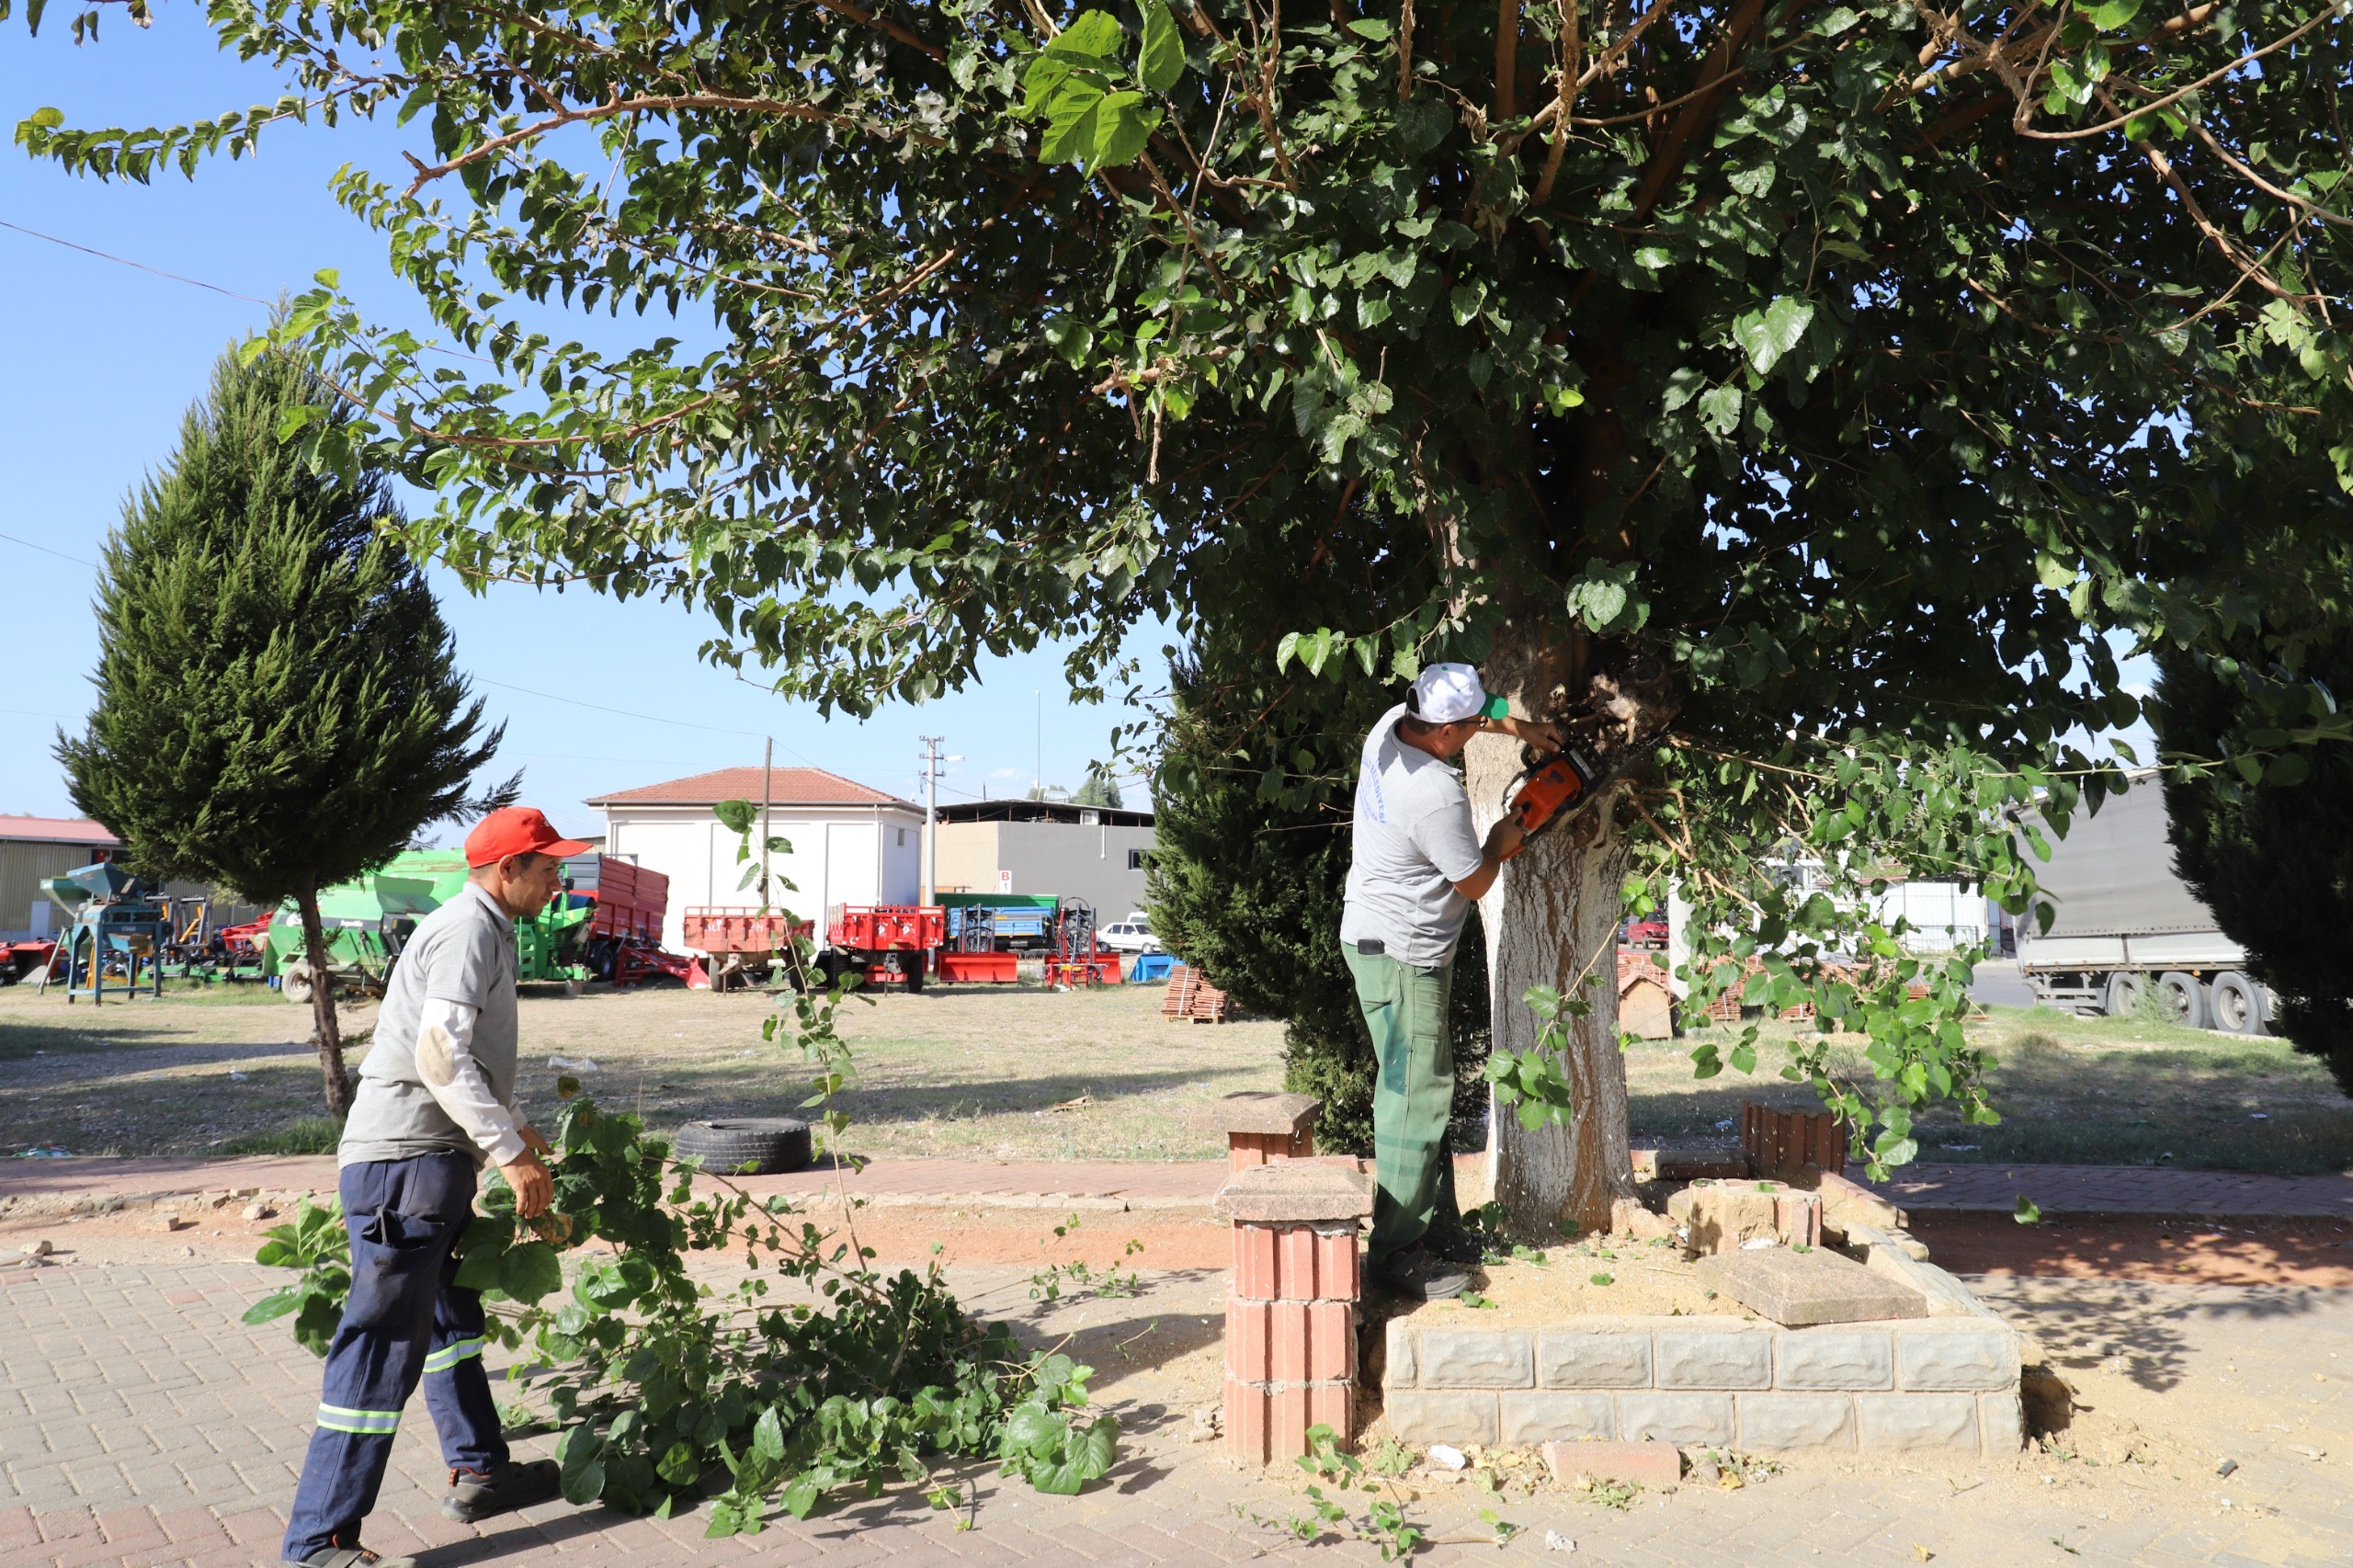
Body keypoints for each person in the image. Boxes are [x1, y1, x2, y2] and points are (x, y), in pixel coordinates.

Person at [280, 807, 591, 1568]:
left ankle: (483, 1470)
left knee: (452, 1319)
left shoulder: (489, 926)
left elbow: (471, 1056)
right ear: (505, 869)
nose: (559, 879)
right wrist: (506, 1151)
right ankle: (317, 1541)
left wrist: (518, 1126)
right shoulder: (467, 928)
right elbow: (440, 1050)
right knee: (381, 1343)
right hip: (405, 1163)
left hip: (430, 1160)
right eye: (547, 866)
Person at [1340, 665, 1561, 1300]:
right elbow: (1476, 883)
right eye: (1470, 728)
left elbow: (1479, 707)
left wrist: (1527, 728)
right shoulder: (1434, 794)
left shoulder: (1389, 728)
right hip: (1405, 956)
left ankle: (1435, 1227)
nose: (1477, 732)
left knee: (1419, 1094)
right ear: (1444, 732)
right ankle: (1395, 1255)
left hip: (1375, 938)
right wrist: (1505, 837)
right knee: (1416, 1097)